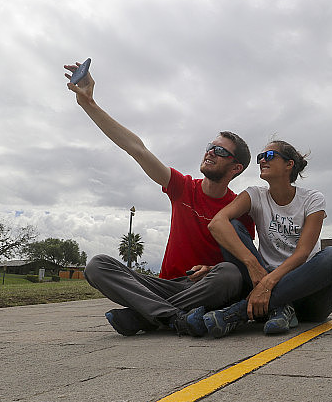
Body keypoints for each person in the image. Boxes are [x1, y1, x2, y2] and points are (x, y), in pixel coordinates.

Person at [64, 61, 255, 337]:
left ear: (236, 168)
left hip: (201, 288)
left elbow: (242, 265)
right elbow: (137, 149)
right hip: (161, 286)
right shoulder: (182, 187)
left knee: (229, 275)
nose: (210, 153)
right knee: (97, 266)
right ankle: (174, 318)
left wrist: (211, 268)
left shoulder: (240, 210)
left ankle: (146, 316)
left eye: (220, 151)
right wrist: (89, 104)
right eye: (210, 147)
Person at [203, 140, 332, 337]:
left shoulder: (312, 199)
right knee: (232, 226)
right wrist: (252, 264)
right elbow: (217, 223)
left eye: (269, 156)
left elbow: (302, 254)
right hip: (262, 285)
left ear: (289, 164)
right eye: (260, 157)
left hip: (308, 296)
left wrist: (268, 283)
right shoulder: (255, 195)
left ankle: (237, 313)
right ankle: (279, 308)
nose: (262, 160)